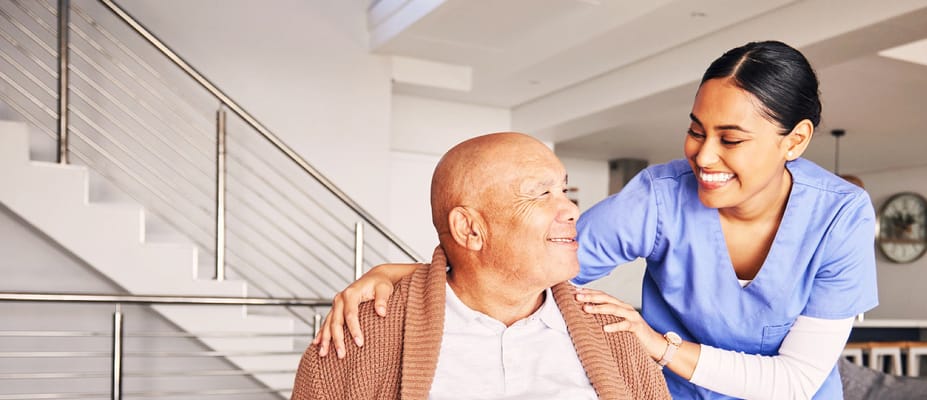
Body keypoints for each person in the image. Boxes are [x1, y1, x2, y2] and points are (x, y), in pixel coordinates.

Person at [313, 40, 878, 399]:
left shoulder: (840, 217)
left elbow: (796, 381)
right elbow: (524, 258)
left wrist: (657, 346)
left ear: (796, 140)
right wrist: (419, 277)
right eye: (697, 130)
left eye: (730, 139)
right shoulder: (660, 196)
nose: (703, 156)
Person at [291, 132, 671, 399]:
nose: (571, 209)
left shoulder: (613, 330)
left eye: (565, 191)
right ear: (470, 228)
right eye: (541, 193)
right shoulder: (361, 336)